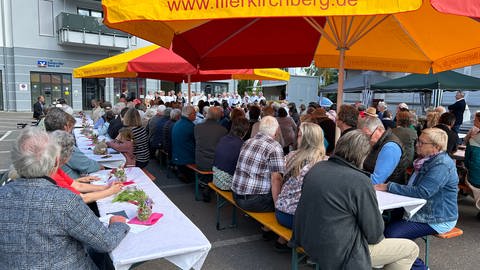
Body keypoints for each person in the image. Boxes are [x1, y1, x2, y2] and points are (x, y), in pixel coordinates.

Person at [0, 127, 129, 269]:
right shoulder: (65, 201)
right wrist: (119, 224)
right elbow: (106, 242)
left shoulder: (3, 193)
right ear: (56, 161)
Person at [292, 130, 419, 270]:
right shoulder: (360, 181)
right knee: (411, 249)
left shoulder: (317, 167)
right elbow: (375, 234)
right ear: (363, 155)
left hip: (307, 239)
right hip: (340, 251)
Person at [377, 128, 458, 270]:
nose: (417, 145)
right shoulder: (426, 160)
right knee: (379, 223)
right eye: (417, 141)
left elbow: (422, 192)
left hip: (438, 218)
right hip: (419, 210)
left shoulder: (442, 164)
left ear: (436, 147)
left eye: (422, 142)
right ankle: (391, 259)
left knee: (392, 235)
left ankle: (420, 267)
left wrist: (389, 186)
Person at [49, 130, 123, 204]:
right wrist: (110, 191)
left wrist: (106, 188)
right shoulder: (52, 173)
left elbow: (77, 186)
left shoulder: (54, 167)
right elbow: (82, 198)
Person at [275, 122, 326, 230]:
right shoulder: (322, 162)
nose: (296, 138)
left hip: (281, 212)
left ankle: (282, 240)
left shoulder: (291, 155)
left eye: (299, 135)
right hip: (298, 218)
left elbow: (278, 176)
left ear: (307, 139)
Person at [231, 116, 284, 212]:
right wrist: (278, 208)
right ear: (276, 130)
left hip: (236, 195)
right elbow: (276, 179)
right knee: (288, 204)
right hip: (253, 201)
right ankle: (267, 226)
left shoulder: (248, 141)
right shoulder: (275, 146)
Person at [44, 108, 103, 179]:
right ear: (66, 127)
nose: (71, 133)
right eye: (71, 129)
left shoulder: (43, 140)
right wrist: (102, 167)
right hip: (69, 185)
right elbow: (89, 166)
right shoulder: (63, 143)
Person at [358, 116, 409, 184]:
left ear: (379, 129)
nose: (366, 140)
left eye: (367, 136)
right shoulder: (378, 142)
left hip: (386, 192)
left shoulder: (390, 147)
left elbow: (376, 181)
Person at [194, 106, 228, 201]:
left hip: (199, 161)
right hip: (214, 164)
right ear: (218, 117)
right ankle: (208, 186)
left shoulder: (197, 127)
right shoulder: (223, 130)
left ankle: (205, 185)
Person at [213, 118, 250, 191]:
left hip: (215, 177)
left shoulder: (223, 138)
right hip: (226, 183)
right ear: (245, 131)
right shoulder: (242, 145)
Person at [172, 106, 197, 181]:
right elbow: (197, 142)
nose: (196, 115)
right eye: (194, 114)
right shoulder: (190, 126)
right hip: (186, 158)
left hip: (177, 155)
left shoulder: (177, 123)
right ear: (190, 115)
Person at [464, 111, 480, 218]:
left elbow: (467, 162)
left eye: (475, 119)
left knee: (465, 174)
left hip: (474, 179)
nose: (473, 120)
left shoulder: (473, 140)